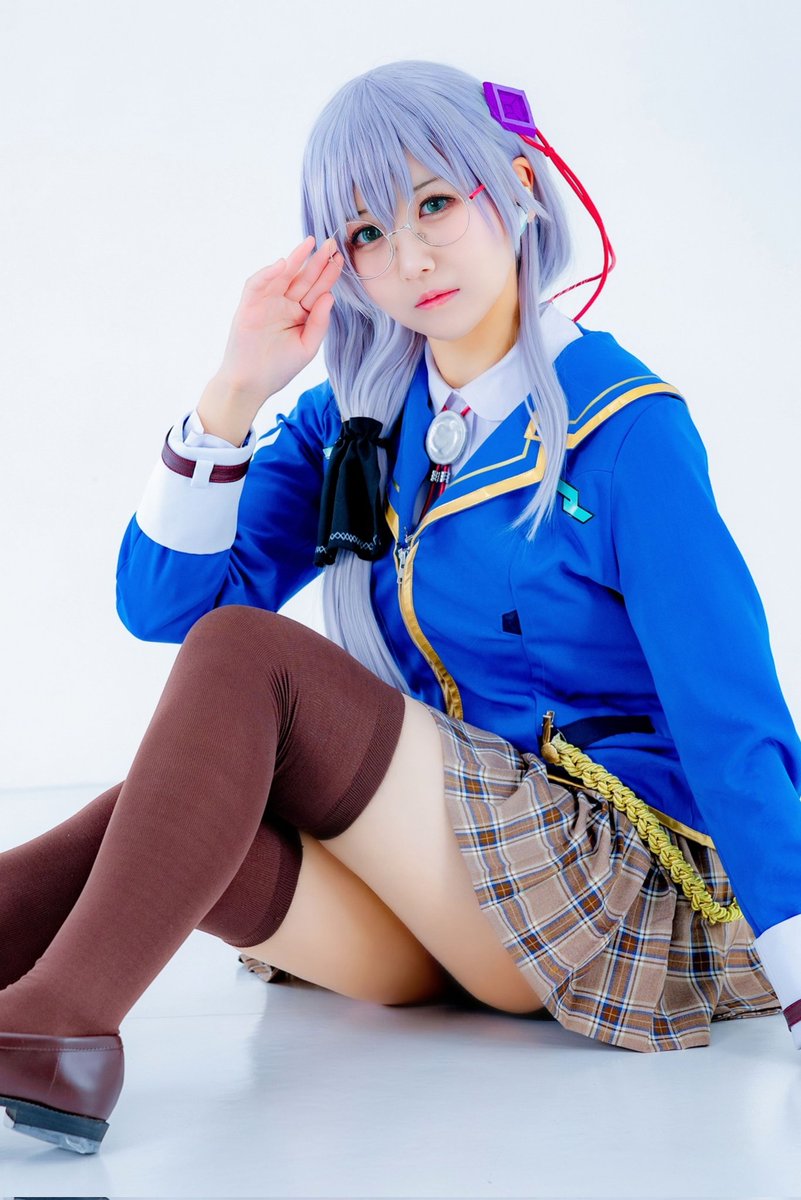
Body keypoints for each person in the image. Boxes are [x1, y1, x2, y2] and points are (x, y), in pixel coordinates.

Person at [2, 59, 800, 1157]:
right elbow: (164, 605)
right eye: (368, 233)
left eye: (435, 203)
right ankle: (40, 1014)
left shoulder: (625, 429)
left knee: (249, 658)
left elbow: (730, 707)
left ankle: (57, 1024)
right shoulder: (357, 421)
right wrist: (236, 388)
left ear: (519, 186)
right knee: (185, 812)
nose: (411, 257)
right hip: (437, 914)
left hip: (596, 884)